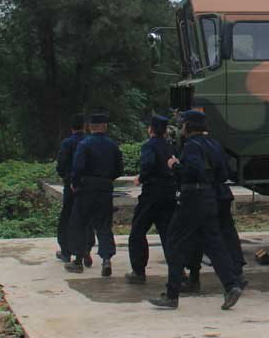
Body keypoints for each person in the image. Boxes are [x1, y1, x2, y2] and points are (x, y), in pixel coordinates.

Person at [149, 110, 242, 310]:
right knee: (215, 245)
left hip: (192, 198)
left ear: (189, 127)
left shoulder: (192, 146)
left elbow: (193, 171)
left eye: (183, 124)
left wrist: (175, 166)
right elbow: (225, 172)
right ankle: (231, 285)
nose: (181, 127)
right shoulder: (215, 145)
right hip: (210, 198)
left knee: (174, 242)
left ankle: (172, 295)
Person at [65, 112, 124, 276]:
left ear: (90, 127)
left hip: (87, 189)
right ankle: (106, 260)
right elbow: (119, 169)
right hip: (105, 189)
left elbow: (78, 168)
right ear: (105, 127)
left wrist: (75, 184)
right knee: (104, 225)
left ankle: (78, 260)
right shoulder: (113, 145)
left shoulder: (85, 144)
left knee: (80, 223)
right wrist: (107, 179)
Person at [125, 115, 178, 284]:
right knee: (168, 234)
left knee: (137, 232)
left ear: (151, 130)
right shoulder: (170, 146)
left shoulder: (149, 146)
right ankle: (178, 273)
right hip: (169, 193)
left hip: (152, 194)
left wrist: (140, 177)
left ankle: (138, 271)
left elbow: (148, 165)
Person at [55, 113, 94, 266]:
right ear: (84, 126)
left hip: (71, 185)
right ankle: (86, 250)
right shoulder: (89, 141)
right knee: (86, 218)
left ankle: (66, 251)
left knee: (67, 218)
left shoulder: (67, 143)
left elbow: (61, 165)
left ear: (71, 128)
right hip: (88, 185)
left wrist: (67, 177)